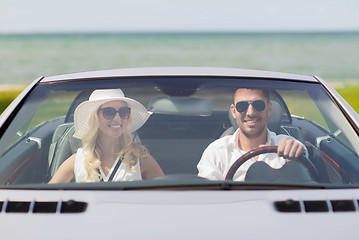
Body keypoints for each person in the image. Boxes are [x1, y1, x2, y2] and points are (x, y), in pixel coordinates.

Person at [49, 88, 164, 183]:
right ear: (94, 117)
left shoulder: (140, 158)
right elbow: (46, 196)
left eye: (124, 112)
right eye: (109, 112)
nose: (118, 118)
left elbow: (168, 194)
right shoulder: (77, 160)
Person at [197, 88, 307, 181]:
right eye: (242, 106)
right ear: (234, 111)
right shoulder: (216, 151)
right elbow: (208, 195)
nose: (250, 113)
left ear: (269, 109)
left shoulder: (286, 144)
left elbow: (304, 179)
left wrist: (297, 153)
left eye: (258, 105)